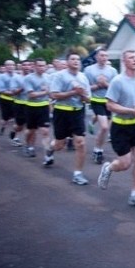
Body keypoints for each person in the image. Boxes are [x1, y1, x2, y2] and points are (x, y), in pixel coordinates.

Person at [97, 50, 135, 209]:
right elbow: (110, 105)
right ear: (124, 61)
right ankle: (108, 168)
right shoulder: (118, 81)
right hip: (120, 126)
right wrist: (131, 111)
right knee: (125, 163)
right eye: (131, 58)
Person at [44, 52, 91, 185]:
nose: (76, 61)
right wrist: (73, 92)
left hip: (78, 112)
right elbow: (53, 95)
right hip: (62, 112)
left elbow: (89, 99)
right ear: (68, 61)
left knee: (80, 143)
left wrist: (83, 95)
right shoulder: (60, 76)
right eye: (73, 59)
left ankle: (78, 174)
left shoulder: (83, 77)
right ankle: (50, 149)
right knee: (60, 144)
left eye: (78, 59)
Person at [84, 48, 118, 165]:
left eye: (106, 56)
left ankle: (98, 149)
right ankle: (97, 150)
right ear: (96, 57)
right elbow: (86, 87)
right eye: (102, 55)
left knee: (106, 128)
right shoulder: (89, 70)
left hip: (108, 101)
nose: (104, 58)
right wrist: (98, 85)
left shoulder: (112, 71)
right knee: (104, 127)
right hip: (96, 100)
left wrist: (105, 84)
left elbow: (115, 88)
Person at [23, 58, 51, 158]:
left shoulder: (48, 77)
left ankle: (47, 155)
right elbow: (31, 95)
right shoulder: (28, 78)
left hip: (44, 107)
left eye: (43, 66)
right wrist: (45, 92)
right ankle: (28, 145)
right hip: (31, 107)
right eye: (39, 66)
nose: (42, 68)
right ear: (34, 66)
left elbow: (51, 92)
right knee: (31, 131)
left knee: (45, 131)